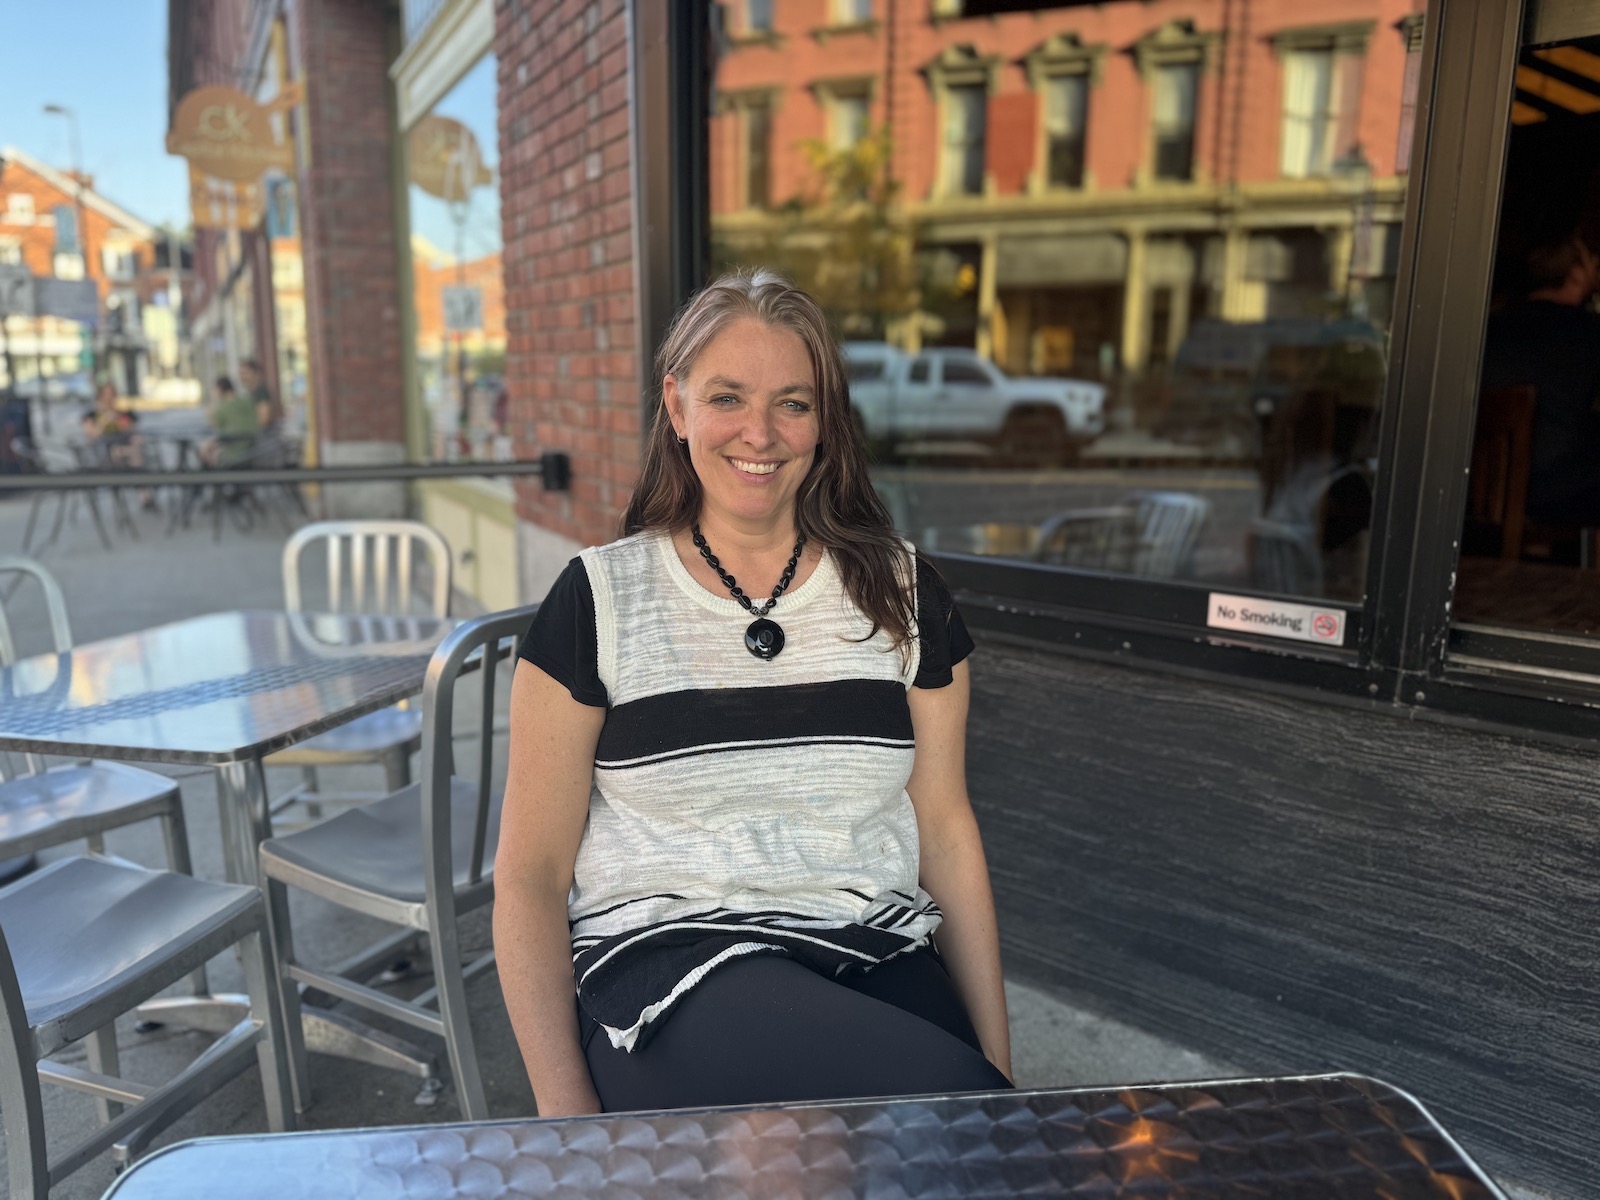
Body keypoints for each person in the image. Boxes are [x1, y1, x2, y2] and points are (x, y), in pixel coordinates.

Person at [495, 269, 1012, 1117]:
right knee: (950, 1125)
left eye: (794, 403)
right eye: (727, 397)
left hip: (876, 952)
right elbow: (529, 874)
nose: (760, 434)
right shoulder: (598, 602)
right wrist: (566, 1116)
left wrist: (999, 1063)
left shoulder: (905, 592)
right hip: (675, 972)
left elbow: (946, 829)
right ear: (678, 406)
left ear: (824, 420)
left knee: (970, 1124)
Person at [1480, 230, 1600, 527]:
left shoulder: (1491, 326)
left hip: (1485, 487)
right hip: (1556, 488)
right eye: (1591, 263)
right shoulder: (1587, 332)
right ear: (1575, 276)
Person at [200, 375, 260, 466]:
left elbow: (213, 424)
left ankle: (214, 477)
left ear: (219, 390)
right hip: (252, 447)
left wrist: (211, 409)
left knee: (207, 451)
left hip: (234, 448)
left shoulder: (223, 406)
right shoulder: (246, 401)